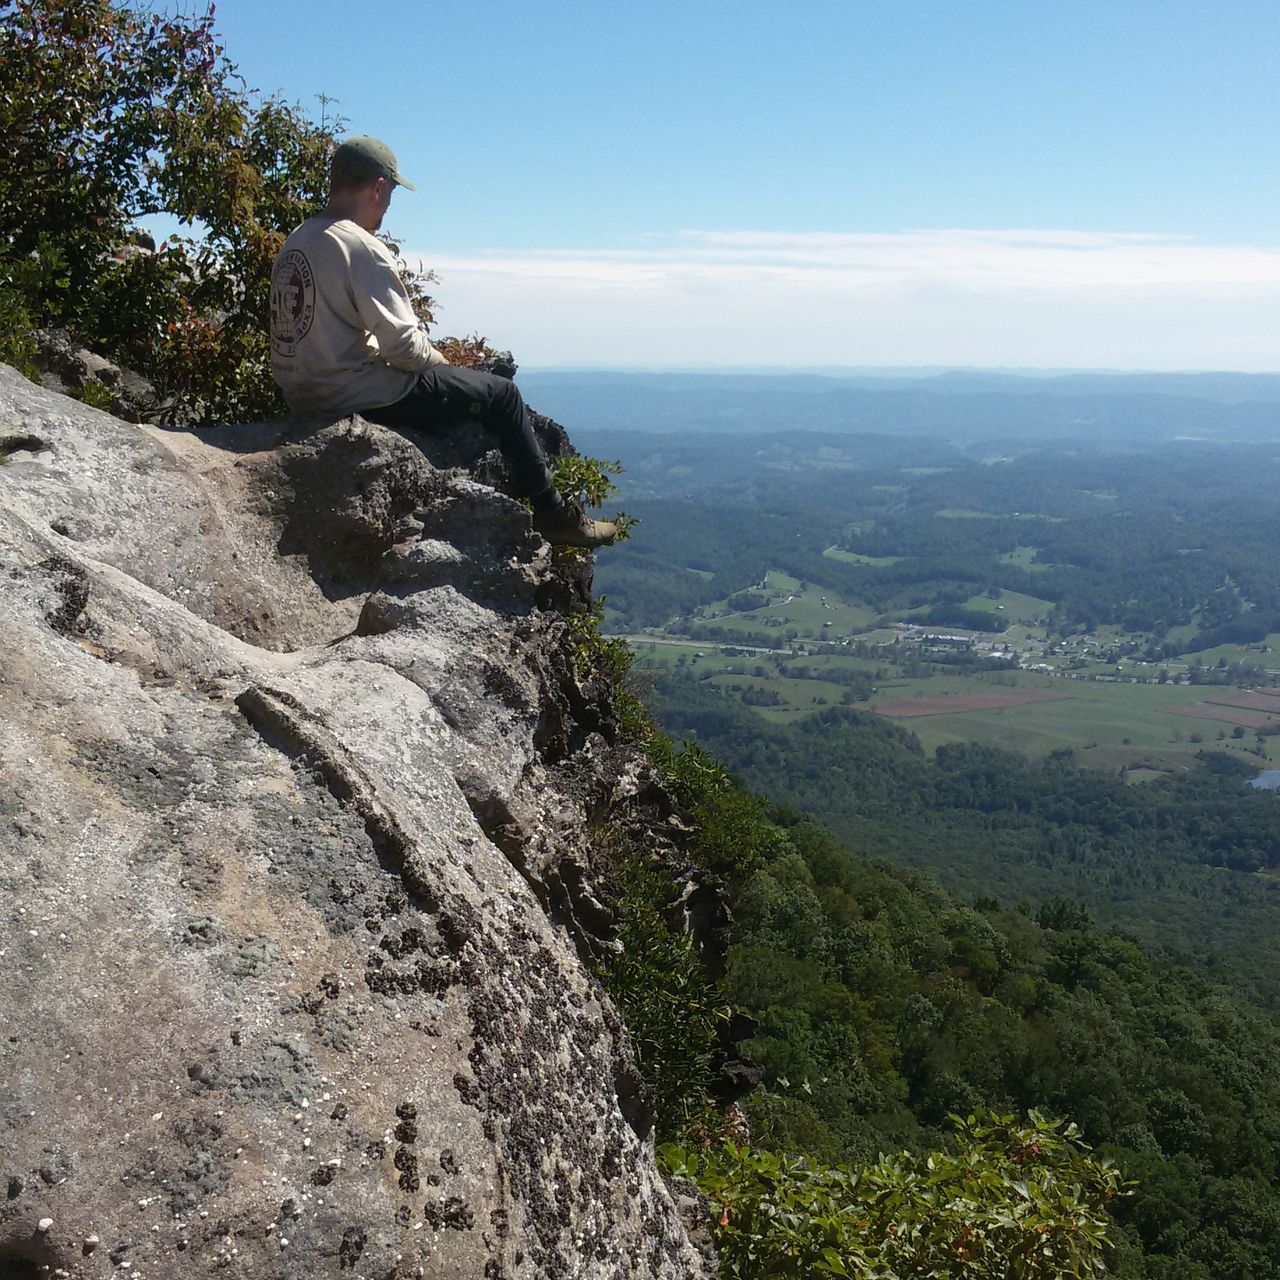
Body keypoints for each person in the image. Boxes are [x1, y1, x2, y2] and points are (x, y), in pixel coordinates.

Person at [269, 135, 616, 549]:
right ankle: (555, 515)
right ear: (378, 187)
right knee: (502, 395)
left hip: (303, 396)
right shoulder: (359, 247)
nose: (389, 203)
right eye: (391, 192)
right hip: (359, 397)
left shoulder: (297, 240)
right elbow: (404, 347)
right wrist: (444, 364)